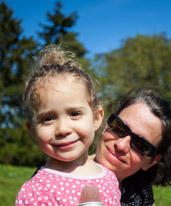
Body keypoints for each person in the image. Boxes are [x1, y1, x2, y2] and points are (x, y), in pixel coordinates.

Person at [15, 45, 121, 206]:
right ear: (32, 130)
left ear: (96, 118)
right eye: (48, 118)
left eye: (74, 114)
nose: (63, 129)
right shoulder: (39, 190)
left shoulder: (109, 177)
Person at [94, 88, 171, 205]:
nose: (121, 145)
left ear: (151, 162)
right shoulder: (63, 174)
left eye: (140, 145)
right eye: (119, 127)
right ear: (107, 125)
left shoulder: (141, 192)